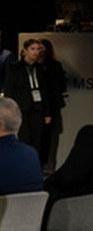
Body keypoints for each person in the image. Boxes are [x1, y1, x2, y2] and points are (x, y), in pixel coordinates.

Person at [3, 39, 52, 158]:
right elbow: (9, 90)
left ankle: (35, 168)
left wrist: (47, 113)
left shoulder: (40, 68)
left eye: (38, 49)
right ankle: (23, 168)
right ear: (25, 51)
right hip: (21, 109)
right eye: (33, 49)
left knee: (37, 141)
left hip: (38, 108)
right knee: (24, 140)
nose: (36, 52)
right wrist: (10, 110)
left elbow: (44, 91)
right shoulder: (14, 68)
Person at [38, 38, 67, 171]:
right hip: (36, 108)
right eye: (37, 48)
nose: (40, 51)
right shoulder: (31, 66)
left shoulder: (55, 65)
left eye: (42, 48)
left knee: (51, 140)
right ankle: (35, 166)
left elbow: (61, 86)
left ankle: (49, 168)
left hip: (52, 108)